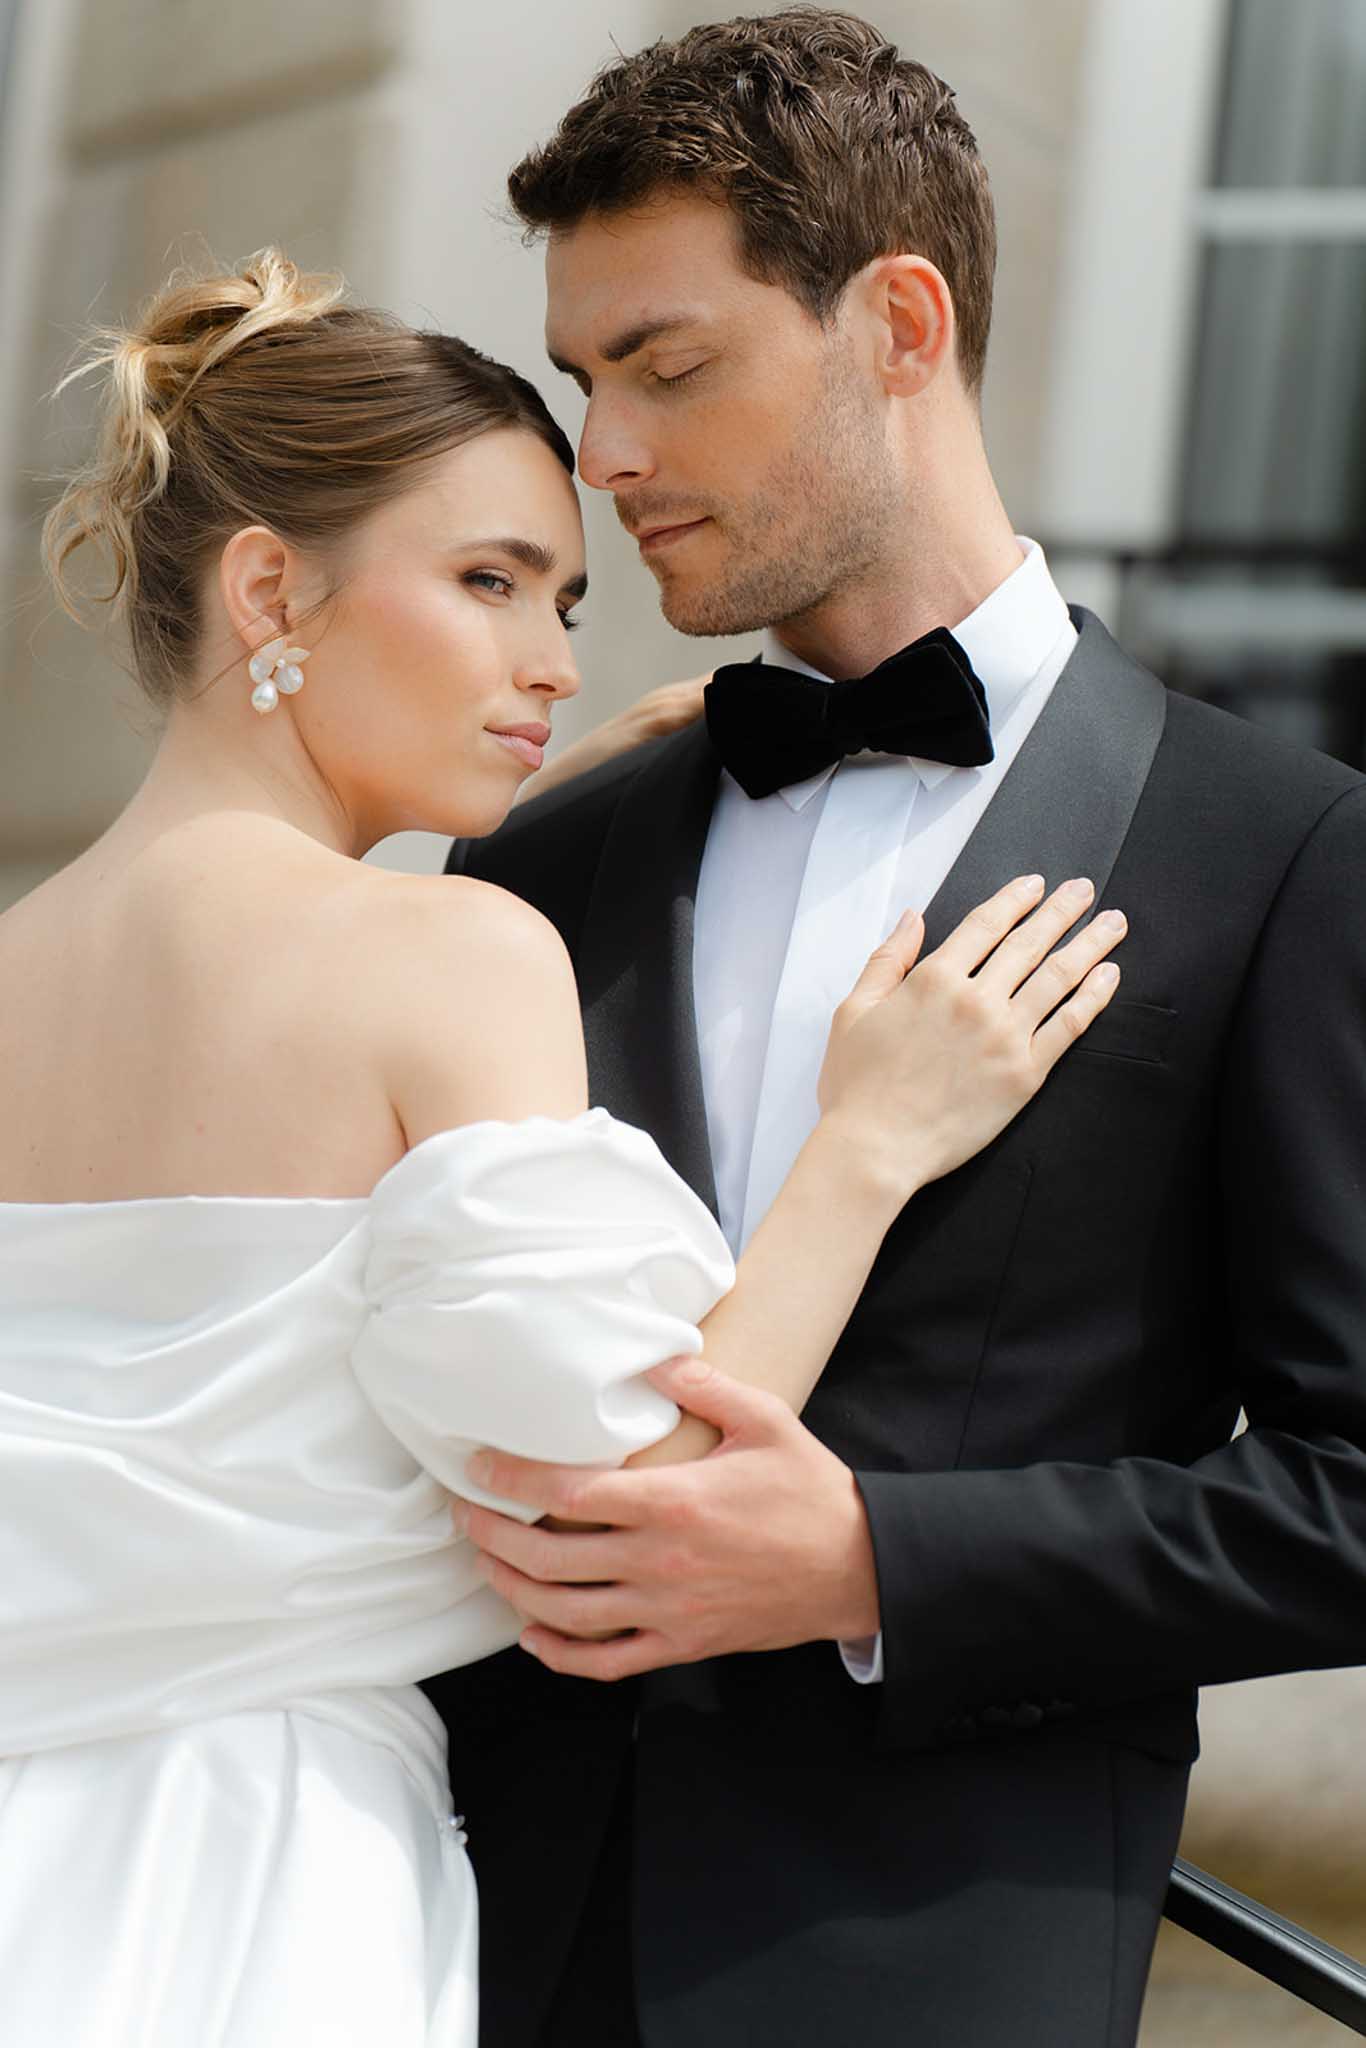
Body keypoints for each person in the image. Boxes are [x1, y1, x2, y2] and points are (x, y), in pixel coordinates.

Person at [0, 249, 1122, 2048]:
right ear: (271, 584)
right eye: (488, 583)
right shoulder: (445, 954)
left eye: (566, 597)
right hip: (261, 1881)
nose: (549, 659)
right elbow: (629, 1502)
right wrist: (867, 1147)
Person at [441, 12, 1366, 2047]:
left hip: (946, 1966)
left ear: (896, 321)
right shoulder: (534, 865)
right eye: (584, 382)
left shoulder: (1273, 850)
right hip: (482, 1947)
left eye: (666, 369)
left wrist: (878, 1559)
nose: (603, 457)